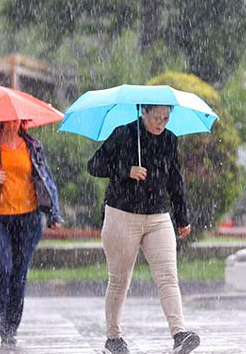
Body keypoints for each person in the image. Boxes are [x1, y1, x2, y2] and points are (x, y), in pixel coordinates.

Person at [87, 104, 200, 354]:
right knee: (120, 280)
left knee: (168, 277)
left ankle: (179, 334)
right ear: (143, 112)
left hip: (158, 217)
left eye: (166, 118)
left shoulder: (169, 140)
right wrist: (126, 170)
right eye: (156, 118)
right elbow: (94, 165)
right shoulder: (123, 134)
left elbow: (175, 180)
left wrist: (182, 217)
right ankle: (113, 338)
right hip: (122, 215)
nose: (161, 123)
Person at [0, 119, 63, 346]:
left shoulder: (33, 146)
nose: (14, 121)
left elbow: (47, 180)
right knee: (2, 267)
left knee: (19, 274)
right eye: (9, 117)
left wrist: (54, 213)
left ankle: (10, 328)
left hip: (28, 220)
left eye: (17, 117)